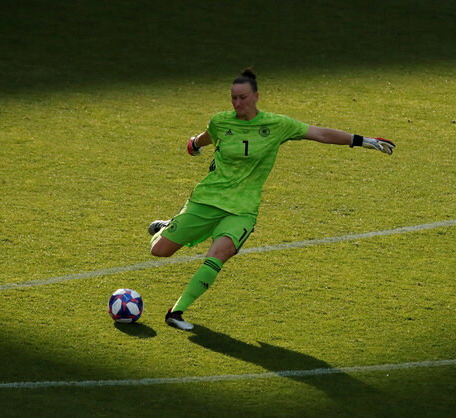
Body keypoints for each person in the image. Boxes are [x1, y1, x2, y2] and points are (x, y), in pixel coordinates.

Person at [149, 69, 395, 330]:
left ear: (256, 96)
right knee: (159, 251)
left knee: (220, 254)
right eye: (233, 98)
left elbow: (320, 134)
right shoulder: (221, 120)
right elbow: (209, 134)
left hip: (242, 209)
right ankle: (166, 227)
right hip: (206, 200)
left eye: (242, 97)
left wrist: (364, 141)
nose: (237, 103)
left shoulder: (277, 125)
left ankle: (176, 313)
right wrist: (195, 145)